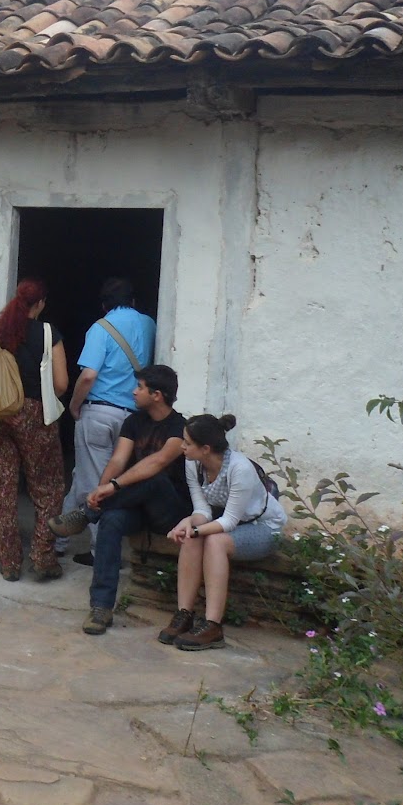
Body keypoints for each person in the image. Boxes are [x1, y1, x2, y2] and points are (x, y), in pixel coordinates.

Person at [51, 364, 188, 634]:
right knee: (111, 520)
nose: (133, 392)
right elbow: (118, 460)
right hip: (134, 506)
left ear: (157, 394)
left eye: (139, 387)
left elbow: (158, 462)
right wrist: (98, 492)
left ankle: (86, 516)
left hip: (169, 512)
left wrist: (112, 487)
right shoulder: (134, 421)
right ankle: (101, 608)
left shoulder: (179, 427)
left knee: (155, 478)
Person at [0, 278, 69, 581]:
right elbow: (62, 384)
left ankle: (9, 564)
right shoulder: (49, 334)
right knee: (48, 487)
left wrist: (1, 394)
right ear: (40, 304)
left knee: (1, 488)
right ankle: (41, 556)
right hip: (35, 415)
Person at [161, 414, 286, 651]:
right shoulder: (192, 464)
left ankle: (212, 626)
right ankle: (184, 614)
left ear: (205, 448)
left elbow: (228, 521)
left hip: (264, 528)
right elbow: (202, 510)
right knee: (191, 536)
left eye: (187, 442)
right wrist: (187, 524)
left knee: (214, 541)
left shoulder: (240, 468)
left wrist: (195, 529)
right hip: (233, 525)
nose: (182, 446)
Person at [61, 277, 157, 560]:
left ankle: (98, 551)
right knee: (100, 480)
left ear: (104, 305)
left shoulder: (100, 328)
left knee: (92, 482)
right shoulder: (149, 325)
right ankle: (57, 541)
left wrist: (74, 406)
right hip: (135, 417)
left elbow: (88, 375)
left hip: (100, 412)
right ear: (134, 301)